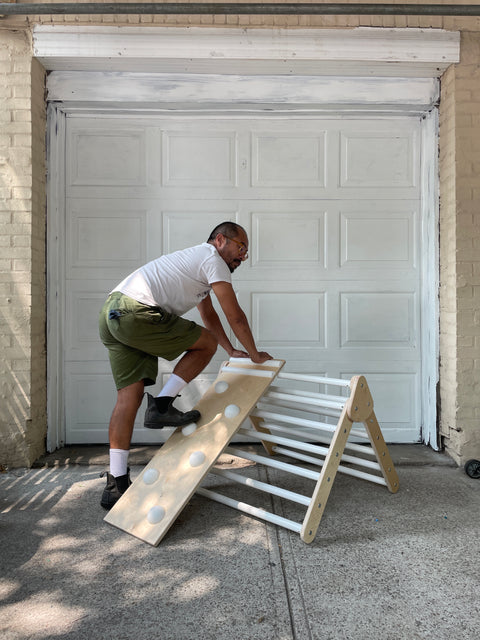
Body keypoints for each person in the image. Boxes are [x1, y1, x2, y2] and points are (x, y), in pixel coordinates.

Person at [98, 221, 273, 509]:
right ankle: (162, 405)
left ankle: (116, 483)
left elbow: (210, 316)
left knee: (128, 399)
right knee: (206, 343)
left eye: (246, 252)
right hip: (136, 311)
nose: (242, 256)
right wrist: (254, 354)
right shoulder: (211, 259)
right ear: (220, 240)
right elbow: (235, 315)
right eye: (240, 248)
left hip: (112, 313)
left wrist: (231, 350)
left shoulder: (198, 266)